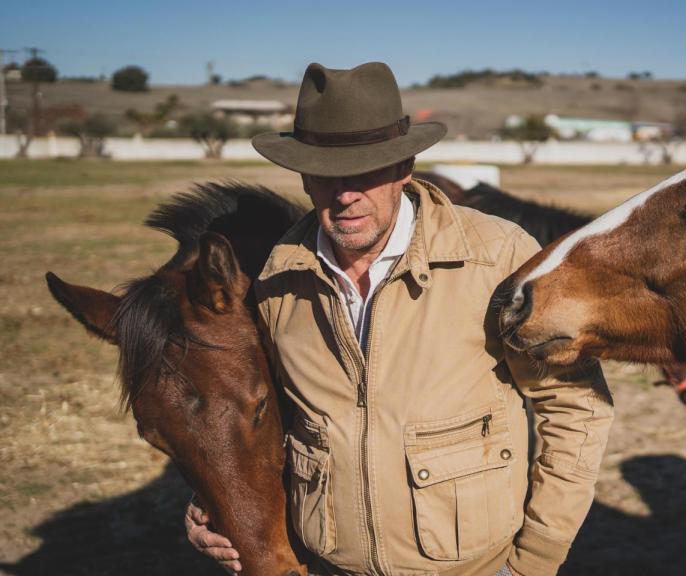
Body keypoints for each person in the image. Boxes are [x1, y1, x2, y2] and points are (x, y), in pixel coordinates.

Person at [184, 62, 613, 576]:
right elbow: (256, 417)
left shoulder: (498, 257)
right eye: (325, 174)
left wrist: (533, 561)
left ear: (404, 166)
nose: (344, 195)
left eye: (365, 171)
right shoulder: (277, 277)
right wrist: (212, 500)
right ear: (302, 176)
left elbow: (574, 408)